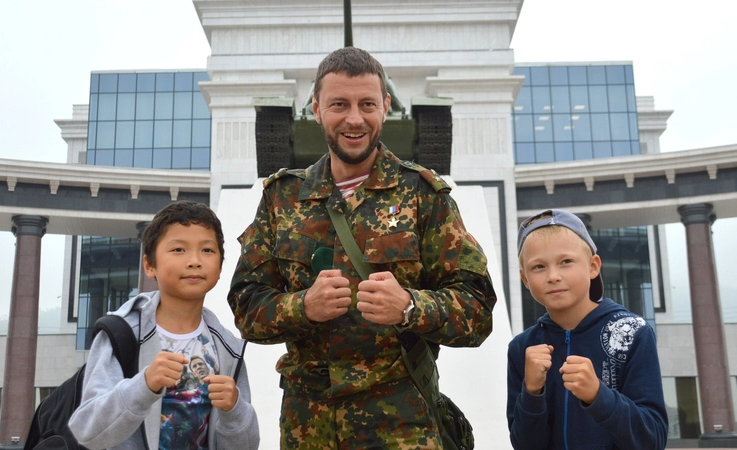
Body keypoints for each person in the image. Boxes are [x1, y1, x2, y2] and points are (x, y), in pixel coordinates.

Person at [229, 46, 497, 449]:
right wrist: (303, 307)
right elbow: (246, 307)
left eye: (367, 104)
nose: (354, 119)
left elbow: (477, 311)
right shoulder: (282, 198)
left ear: (385, 106)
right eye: (339, 104)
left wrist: (410, 306)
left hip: (402, 422)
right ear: (316, 108)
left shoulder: (423, 196)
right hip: (309, 425)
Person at [69, 201, 260, 450]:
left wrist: (234, 409)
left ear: (220, 266)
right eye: (179, 249)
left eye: (207, 250)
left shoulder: (228, 348)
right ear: (149, 265)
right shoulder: (121, 334)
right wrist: (144, 384)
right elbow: (87, 431)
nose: (195, 261)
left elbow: (246, 446)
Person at [507, 209, 668, 449]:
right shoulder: (522, 348)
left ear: (593, 266)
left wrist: (598, 396)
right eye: (539, 266)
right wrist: (531, 393)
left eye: (566, 262)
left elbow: (653, 439)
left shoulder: (632, 332)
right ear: (525, 279)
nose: (553, 276)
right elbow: (525, 445)